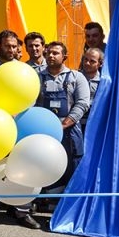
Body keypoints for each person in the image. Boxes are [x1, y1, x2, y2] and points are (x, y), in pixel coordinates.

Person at [0, 30, 40, 230]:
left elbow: (31, 96)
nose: (11, 50)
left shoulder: (24, 70)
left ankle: (22, 210)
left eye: (14, 46)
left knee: (22, 165)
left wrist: (17, 111)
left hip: (20, 126)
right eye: (7, 46)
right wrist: (5, 110)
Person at [38, 41, 90, 196]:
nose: (51, 56)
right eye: (48, 53)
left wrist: (63, 124)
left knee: (72, 169)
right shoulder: (37, 77)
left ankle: (71, 204)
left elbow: (83, 103)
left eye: (55, 53)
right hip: (45, 132)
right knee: (48, 168)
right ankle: (49, 203)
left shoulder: (77, 77)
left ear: (65, 56)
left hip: (70, 133)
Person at [79, 48, 103, 132]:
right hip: (76, 124)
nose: (87, 63)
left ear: (100, 64)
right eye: (85, 59)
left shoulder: (104, 82)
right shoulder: (74, 77)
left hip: (97, 125)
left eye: (92, 61)